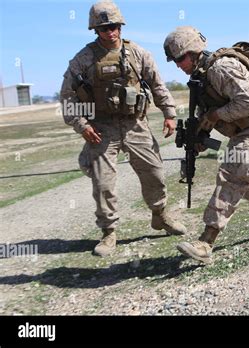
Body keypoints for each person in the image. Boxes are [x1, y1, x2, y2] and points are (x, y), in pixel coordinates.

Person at [163, 26, 249, 264]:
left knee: (232, 173)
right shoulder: (200, 77)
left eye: (180, 58)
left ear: (194, 51)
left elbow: (247, 103)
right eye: (174, 61)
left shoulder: (220, 68)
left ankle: (206, 242)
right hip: (244, 129)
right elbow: (206, 113)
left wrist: (216, 115)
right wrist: (198, 138)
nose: (178, 65)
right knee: (243, 178)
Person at [60, 1, 186, 257]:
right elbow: (67, 96)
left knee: (155, 173)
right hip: (101, 128)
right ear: (95, 29)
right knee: (103, 183)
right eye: (104, 28)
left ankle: (160, 215)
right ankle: (109, 232)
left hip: (135, 124)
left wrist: (169, 113)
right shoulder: (83, 59)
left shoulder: (138, 53)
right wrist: (81, 124)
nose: (110, 32)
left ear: (121, 26)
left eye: (114, 26)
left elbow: (157, 85)